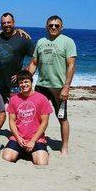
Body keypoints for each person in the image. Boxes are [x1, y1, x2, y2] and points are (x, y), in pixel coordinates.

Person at [27, 15, 76, 156]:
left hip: (58, 87)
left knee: (62, 118)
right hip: (41, 86)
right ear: (46, 27)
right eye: (51, 25)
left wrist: (66, 86)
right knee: (36, 116)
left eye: (56, 25)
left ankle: (64, 147)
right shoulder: (41, 42)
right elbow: (34, 63)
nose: (53, 27)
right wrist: (25, 78)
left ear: (62, 27)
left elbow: (71, 65)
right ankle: (38, 141)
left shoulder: (68, 42)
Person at [2, 70, 52, 165]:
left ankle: (33, 153)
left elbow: (44, 122)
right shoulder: (14, 99)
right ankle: (21, 152)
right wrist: (18, 137)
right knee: (7, 158)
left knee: (42, 163)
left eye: (26, 82)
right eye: (21, 82)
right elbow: (11, 121)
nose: (23, 84)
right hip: (18, 138)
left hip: (36, 139)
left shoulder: (42, 98)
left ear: (31, 82)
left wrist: (33, 141)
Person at [0, 13, 34, 103]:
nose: (6, 24)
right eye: (4, 23)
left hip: (15, 84)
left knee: (16, 113)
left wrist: (24, 72)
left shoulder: (23, 39)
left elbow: (36, 58)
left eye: (9, 22)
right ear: (1, 24)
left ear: (14, 23)